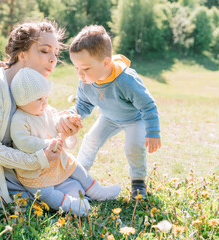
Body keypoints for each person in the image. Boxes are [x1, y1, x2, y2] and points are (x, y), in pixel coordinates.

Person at [0, 20, 83, 208]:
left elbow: (40, 131)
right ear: (22, 54)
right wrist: (38, 160)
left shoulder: (30, 88)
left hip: (22, 170)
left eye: (56, 53)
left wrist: (63, 130)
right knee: (58, 198)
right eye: (44, 50)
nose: (53, 59)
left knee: (78, 187)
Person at [10, 67, 121, 216]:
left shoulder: (46, 110)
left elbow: (56, 122)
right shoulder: (20, 119)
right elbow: (23, 141)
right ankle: (70, 204)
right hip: (35, 169)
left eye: (45, 98)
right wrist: (47, 144)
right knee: (45, 193)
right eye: (39, 99)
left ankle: (96, 191)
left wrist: (65, 121)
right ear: (22, 100)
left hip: (56, 160)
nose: (44, 103)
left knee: (76, 167)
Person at [68, 25, 161, 199]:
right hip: (109, 118)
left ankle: (138, 183)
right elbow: (83, 104)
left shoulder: (126, 80)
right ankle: (77, 179)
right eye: (76, 68)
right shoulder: (85, 81)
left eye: (86, 69)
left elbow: (148, 105)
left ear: (105, 63)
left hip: (135, 119)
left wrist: (153, 132)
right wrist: (71, 113)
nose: (80, 74)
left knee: (133, 147)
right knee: (90, 140)